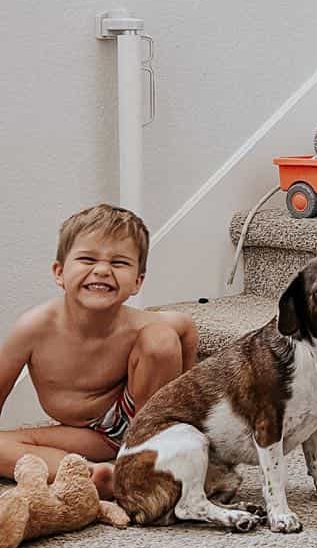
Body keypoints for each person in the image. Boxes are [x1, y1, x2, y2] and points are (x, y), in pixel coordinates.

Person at [0, 205, 198, 490]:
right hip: (90, 434)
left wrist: (188, 414)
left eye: (119, 263)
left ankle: (149, 452)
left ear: (137, 282)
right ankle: (95, 476)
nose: (103, 270)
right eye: (87, 259)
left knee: (161, 339)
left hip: (141, 415)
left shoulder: (139, 324)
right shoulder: (33, 327)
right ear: (59, 272)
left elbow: (185, 326)